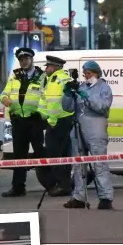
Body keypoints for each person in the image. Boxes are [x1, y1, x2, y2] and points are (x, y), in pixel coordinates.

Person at [62, 60, 115, 210]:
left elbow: (102, 107)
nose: (85, 75)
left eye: (89, 73)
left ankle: (105, 197)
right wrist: (67, 94)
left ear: (96, 73)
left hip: (96, 130)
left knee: (99, 164)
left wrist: (86, 97)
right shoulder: (81, 87)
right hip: (78, 130)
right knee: (78, 165)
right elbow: (67, 108)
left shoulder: (104, 88)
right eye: (84, 73)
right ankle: (79, 196)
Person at [0, 47, 47, 197]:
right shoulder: (15, 76)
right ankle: (18, 187)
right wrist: (4, 99)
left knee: (40, 153)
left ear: (32, 59)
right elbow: (4, 93)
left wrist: (42, 114)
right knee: (19, 155)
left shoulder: (41, 76)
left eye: (26, 59)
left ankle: (51, 185)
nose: (24, 62)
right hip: (18, 120)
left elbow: (46, 97)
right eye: (21, 59)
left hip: (35, 120)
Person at [38, 55, 75, 197]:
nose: (45, 69)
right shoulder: (64, 78)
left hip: (57, 122)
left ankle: (62, 185)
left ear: (53, 67)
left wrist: (51, 121)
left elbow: (53, 104)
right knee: (65, 154)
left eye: (47, 66)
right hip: (66, 120)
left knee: (54, 155)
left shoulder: (55, 80)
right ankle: (66, 185)